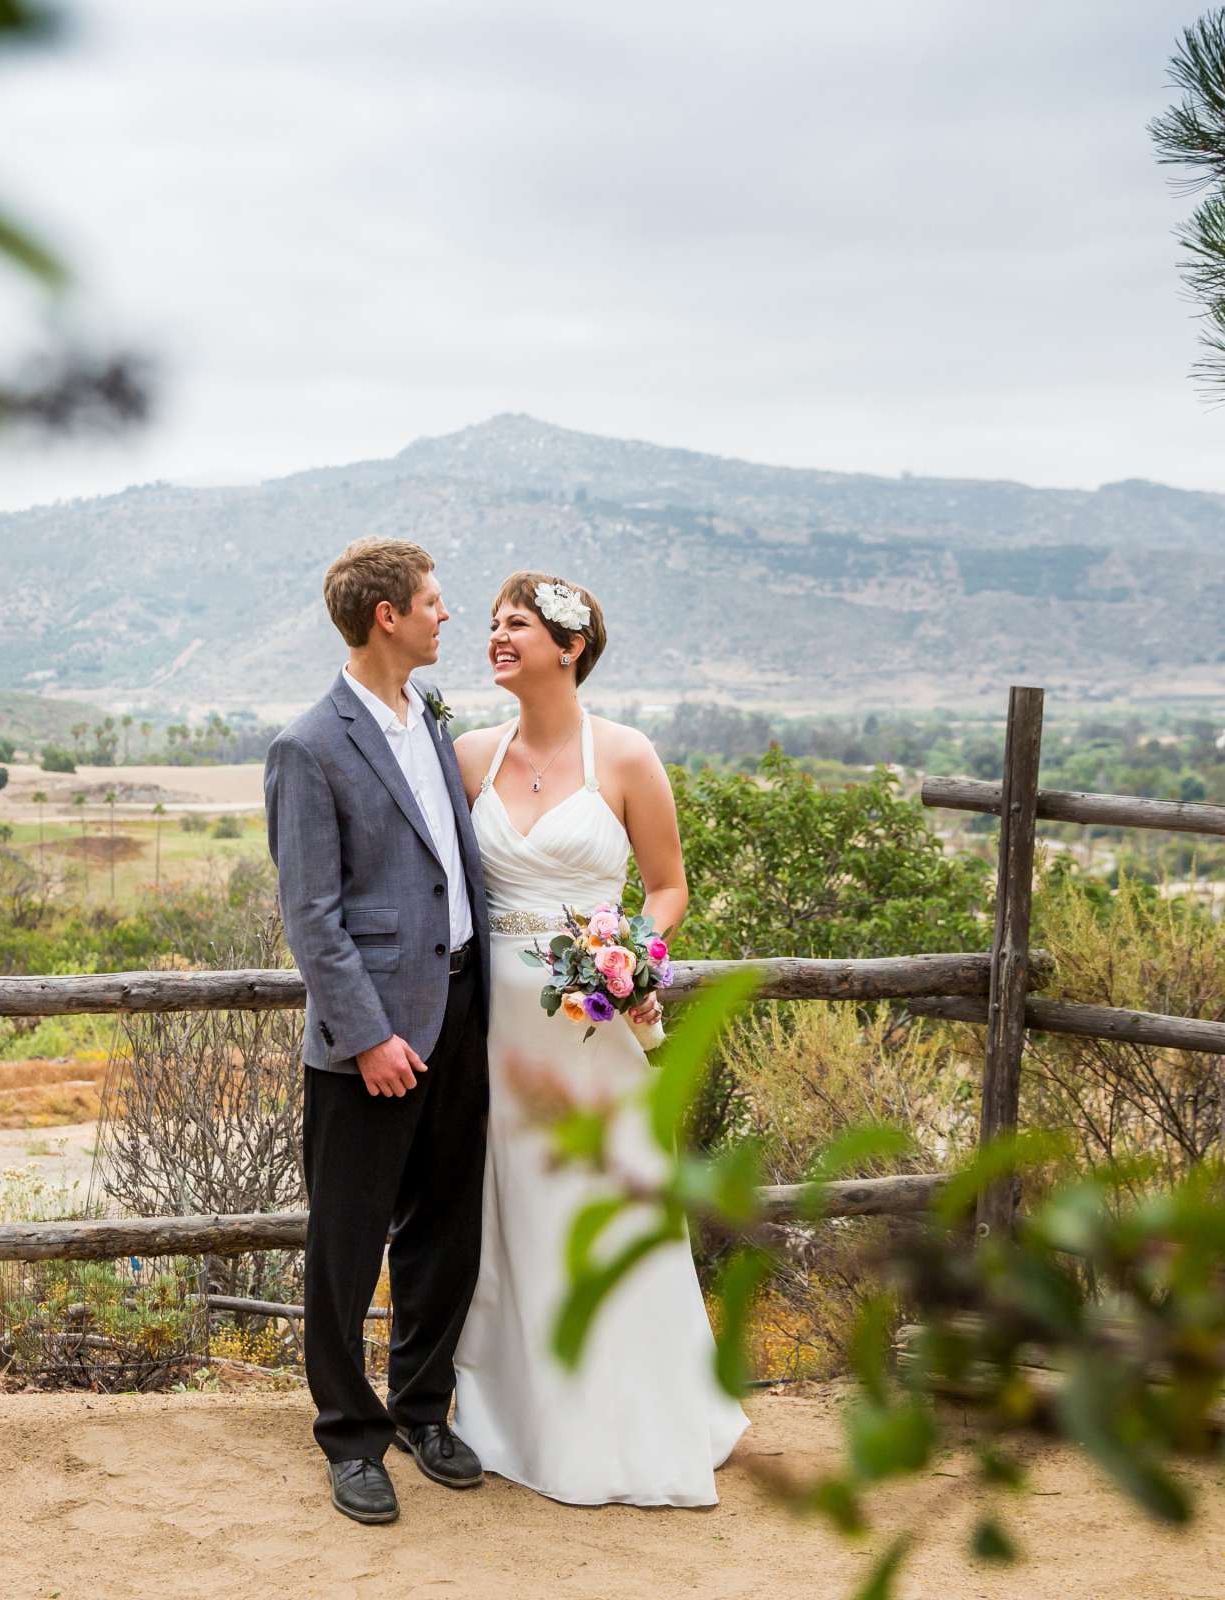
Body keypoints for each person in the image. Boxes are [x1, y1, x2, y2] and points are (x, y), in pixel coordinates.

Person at [450, 571, 750, 1506]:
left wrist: (630, 960)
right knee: (516, 1213)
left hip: (596, 1023)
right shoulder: (467, 757)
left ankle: (629, 1410)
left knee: (606, 1208)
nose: (497, 637)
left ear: (570, 645)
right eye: (495, 625)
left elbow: (668, 888)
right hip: (495, 1026)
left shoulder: (626, 756)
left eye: (518, 625)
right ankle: (517, 1410)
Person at [263, 537, 492, 1526]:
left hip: (462, 1008)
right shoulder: (309, 746)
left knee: (447, 1229)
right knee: (347, 1246)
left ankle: (421, 1410)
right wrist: (366, 1036)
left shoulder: (429, 717)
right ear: (385, 616)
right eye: (435, 602)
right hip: (373, 1041)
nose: (450, 615)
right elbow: (311, 914)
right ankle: (350, 1439)